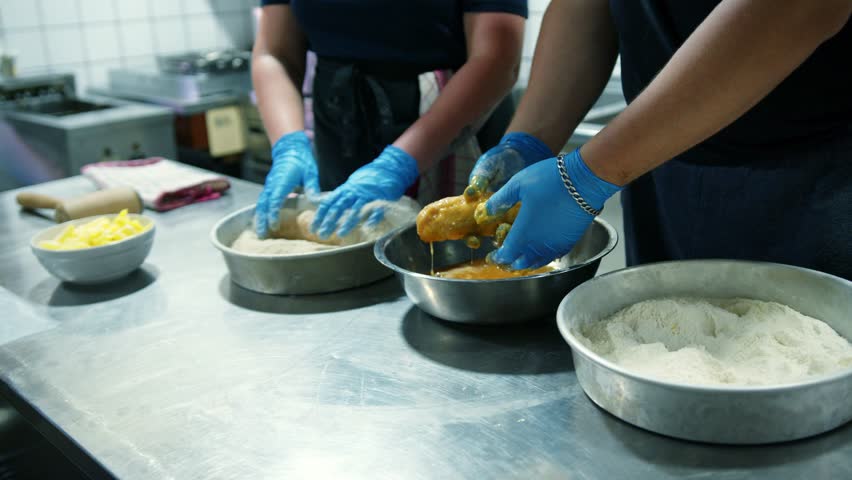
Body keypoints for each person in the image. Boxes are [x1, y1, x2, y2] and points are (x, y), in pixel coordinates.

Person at [468, 0, 852, 280]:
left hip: (811, 184)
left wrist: (585, 175)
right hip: (660, 170)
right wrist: (526, 142)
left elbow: (800, 8)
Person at [252, 0, 527, 239]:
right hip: (340, 127)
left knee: (459, 258)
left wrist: (399, 163)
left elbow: (497, 58)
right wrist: (288, 145)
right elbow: (275, 54)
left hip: (451, 123)